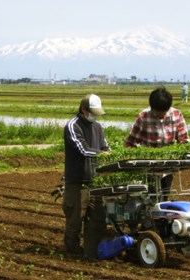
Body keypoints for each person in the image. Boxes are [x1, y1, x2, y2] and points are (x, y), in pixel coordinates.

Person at [63, 94, 109, 260]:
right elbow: (83, 149)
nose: (95, 116)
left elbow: (105, 147)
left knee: (96, 221)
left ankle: (90, 254)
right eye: (92, 112)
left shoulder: (97, 127)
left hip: (95, 182)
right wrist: (102, 154)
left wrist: (108, 155)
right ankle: (71, 254)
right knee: (75, 221)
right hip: (77, 182)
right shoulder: (72, 126)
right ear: (84, 110)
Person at [125, 86, 190, 199]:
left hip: (168, 166)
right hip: (148, 167)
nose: (161, 115)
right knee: (150, 198)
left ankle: (162, 215)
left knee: (164, 196)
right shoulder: (143, 117)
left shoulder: (176, 115)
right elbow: (130, 143)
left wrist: (181, 156)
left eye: (163, 112)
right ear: (152, 107)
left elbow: (184, 140)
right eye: (157, 112)